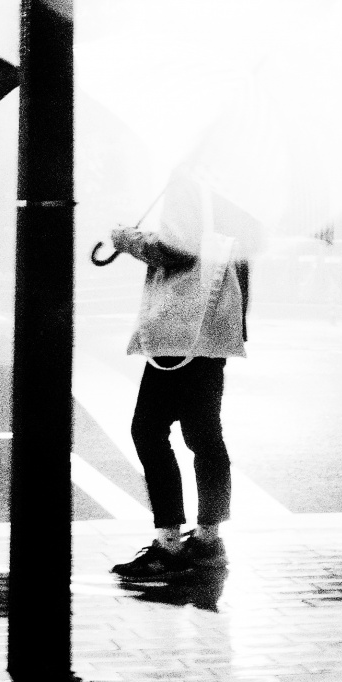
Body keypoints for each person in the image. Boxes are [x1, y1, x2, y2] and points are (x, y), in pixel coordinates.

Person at [105, 172, 262, 586]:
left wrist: (127, 239)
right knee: (204, 434)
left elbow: (175, 249)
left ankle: (169, 544)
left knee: (148, 430)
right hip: (215, 322)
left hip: (181, 326)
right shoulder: (238, 187)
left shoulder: (191, 180)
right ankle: (208, 539)